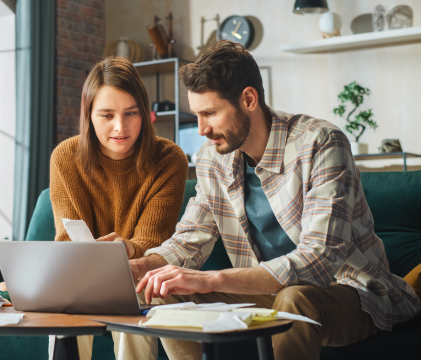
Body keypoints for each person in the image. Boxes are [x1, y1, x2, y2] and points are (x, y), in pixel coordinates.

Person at [119, 41, 421, 360]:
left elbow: (319, 260)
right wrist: (141, 268)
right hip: (266, 292)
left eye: (210, 113)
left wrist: (211, 279)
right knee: (163, 291)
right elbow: (189, 240)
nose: (202, 129)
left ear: (249, 99)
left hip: (349, 292)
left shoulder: (321, 144)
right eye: (197, 115)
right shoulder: (213, 158)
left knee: (295, 299)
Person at [0, 56, 189, 360]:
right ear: (88, 115)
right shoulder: (65, 157)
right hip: (80, 275)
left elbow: (154, 244)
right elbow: (67, 241)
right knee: (67, 294)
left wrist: (125, 249)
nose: (120, 127)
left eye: (131, 113)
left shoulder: (169, 159)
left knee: (134, 287)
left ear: (145, 113)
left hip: (139, 272)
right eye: (106, 115)